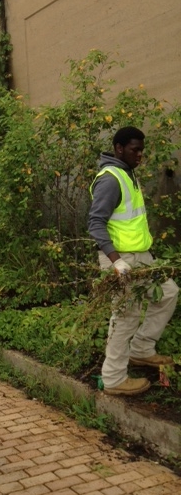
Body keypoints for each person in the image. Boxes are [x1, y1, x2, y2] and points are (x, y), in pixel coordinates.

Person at [88, 126, 179, 396]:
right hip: (120, 259)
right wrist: (116, 261)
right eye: (134, 150)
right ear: (119, 148)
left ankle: (141, 349)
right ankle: (113, 379)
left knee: (168, 292)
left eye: (141, 150)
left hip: (141, 257)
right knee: (126, 315)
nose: (139, 155)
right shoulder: (111, 179)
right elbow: (95, 223)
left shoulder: (127, 172)